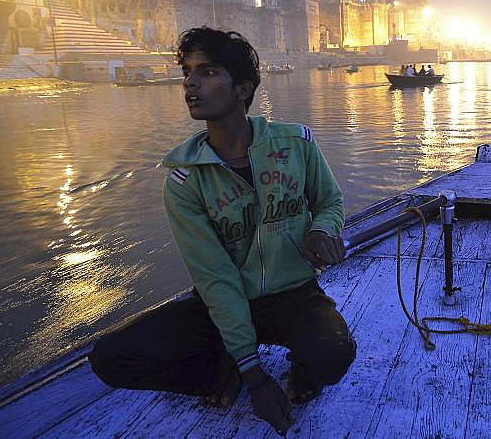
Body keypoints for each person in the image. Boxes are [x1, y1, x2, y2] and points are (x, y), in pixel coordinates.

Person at [88, 27, 356, 437]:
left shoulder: (296, 142)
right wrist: (255, 378)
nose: (191, 83)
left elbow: (329, 201)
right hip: (222, 299)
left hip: (293, 292)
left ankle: (299, 367)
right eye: (188, 73)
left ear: (242, 89)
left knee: (334, 355)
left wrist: (321, 230)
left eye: (208, 72)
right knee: (111, 359)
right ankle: (223, 372)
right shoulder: (184, 179)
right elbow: (214, 276)